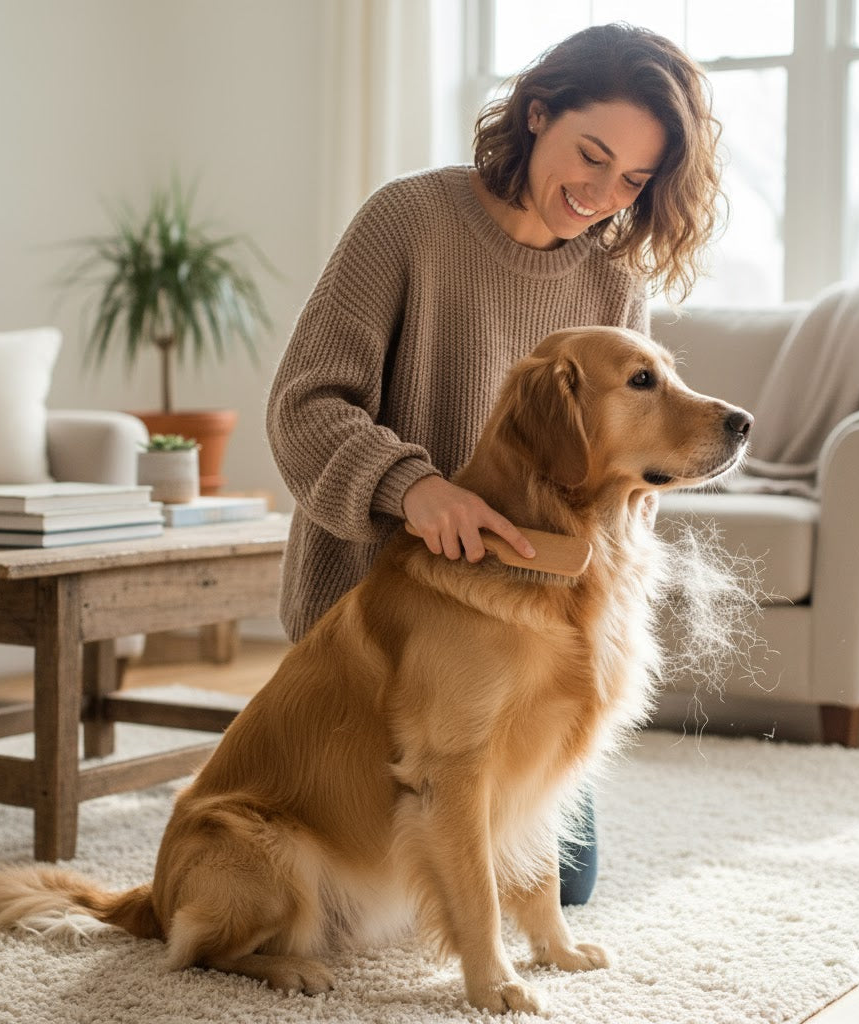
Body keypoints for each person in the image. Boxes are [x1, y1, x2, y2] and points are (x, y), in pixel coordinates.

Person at [266, 22, 722, 905]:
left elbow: (625, 466)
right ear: (537, 112)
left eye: (632, 180)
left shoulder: (612, 277)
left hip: (539, 640)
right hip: (389, 625)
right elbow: (305, 404)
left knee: (567, 889)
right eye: (590, 157)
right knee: (378, 863)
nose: (600, 195)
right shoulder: (408, 220)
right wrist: (414, 488)